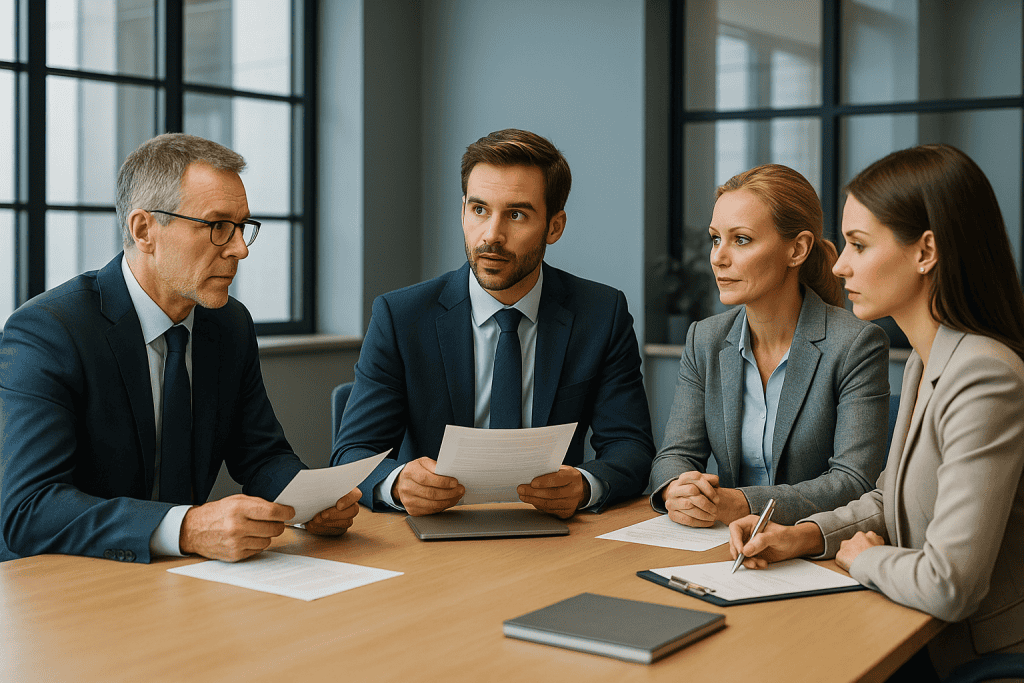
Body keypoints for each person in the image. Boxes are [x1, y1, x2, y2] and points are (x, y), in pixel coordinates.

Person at [729, 144, 1024, 678]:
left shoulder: (986, 376)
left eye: (859, 245)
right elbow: (889, 497)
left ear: (926, 251)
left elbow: (950, 585)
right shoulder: (924, 358)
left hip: (983, 659)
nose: (839, 265)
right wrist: (804, 535)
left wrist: (863, 559)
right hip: (920, 631)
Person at [0, 133, 360, 564]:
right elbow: (29, 509)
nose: (240, 249)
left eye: (243, 227)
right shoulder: (50, 331)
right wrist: (186, 528)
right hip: (65, 586)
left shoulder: (229, 325)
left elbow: (261, 455)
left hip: (181, 580)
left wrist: (310, 501)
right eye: (217, 226)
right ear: (144, 230)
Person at [332, 128, 654, 518]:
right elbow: (352, 452)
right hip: (433, 534)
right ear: (462, 210)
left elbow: (630, 446)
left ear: (554, 226)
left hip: (554, 535)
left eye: (516, 214)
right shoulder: (400, 317)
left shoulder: (601, 313)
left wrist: (586, 485)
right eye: (479, 210)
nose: (491, 236)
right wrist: (397, 482)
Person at [649, 164, 889, 526]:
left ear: (797, 249)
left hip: (811, 546)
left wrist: (743, 503)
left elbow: (853, 482)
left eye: (741, 239)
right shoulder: (705, 339)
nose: (718, 257)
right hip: (721, 542)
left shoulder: (855, 344)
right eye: (716, 238)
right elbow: (675, 455)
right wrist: (676, 490)